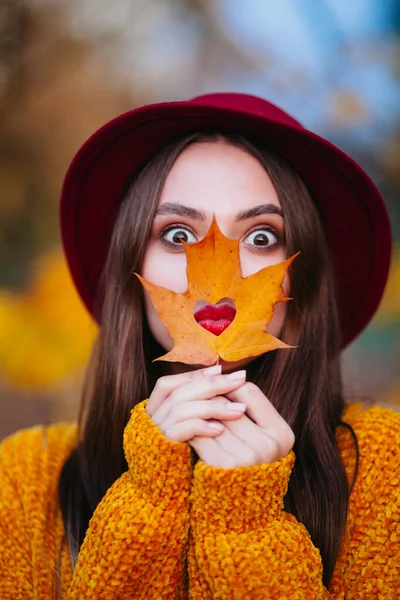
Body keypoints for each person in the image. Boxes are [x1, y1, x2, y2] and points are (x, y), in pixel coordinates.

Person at [0, 92, 398, 600]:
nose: (218, 284)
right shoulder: (28, 477)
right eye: (179, 233)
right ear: (132, 270)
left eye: (260, 238)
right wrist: (149, 498)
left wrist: (245, 526)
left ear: (304, 278)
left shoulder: (384, 466)